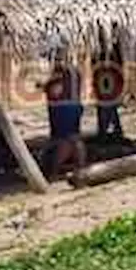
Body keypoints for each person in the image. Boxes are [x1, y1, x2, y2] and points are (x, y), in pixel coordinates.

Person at [41, 47, 87, 179]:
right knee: (75, 138)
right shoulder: (76, 71)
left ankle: (54, 172)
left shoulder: (61, 71)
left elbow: (55, 90)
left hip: (63, 109)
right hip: (74, 106)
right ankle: (81, 168)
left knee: (64, 140)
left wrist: (44, 86)